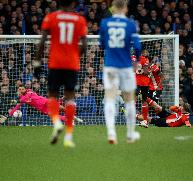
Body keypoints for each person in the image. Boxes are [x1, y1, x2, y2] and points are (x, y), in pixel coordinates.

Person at [33, 0, 87, 147]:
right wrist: (75, 57)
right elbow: (85, 46)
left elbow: (42, 41)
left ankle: (57, 122)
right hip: (72, 64)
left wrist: (37, 62)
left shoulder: (51, 17)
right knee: (69, 98)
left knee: (52, 95)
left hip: (55, 63)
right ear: (73, 3)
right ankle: (68, 137)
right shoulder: (80, 19)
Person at [100, 0, 141, 144]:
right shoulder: (131, 24)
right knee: (129, 99)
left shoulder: (105, 23)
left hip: (110, 65)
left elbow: (102, 44)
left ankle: (111, 133)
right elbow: (137, 46)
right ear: (125, 8)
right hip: (125, 66)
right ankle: (130, 134)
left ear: (113, 8)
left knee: (110, 97)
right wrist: (137, 61)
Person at [0, 85, 83, 124]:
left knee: (61, 108)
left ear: (25, 88)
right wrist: (8, 115)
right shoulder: (22, 99)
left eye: (22, 88)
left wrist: (19, 100)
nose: (21, 90)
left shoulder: (29, 91)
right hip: (41, 107)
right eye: (19, 89)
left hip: (45, 101)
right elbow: (16, 107)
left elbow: (29, 96)